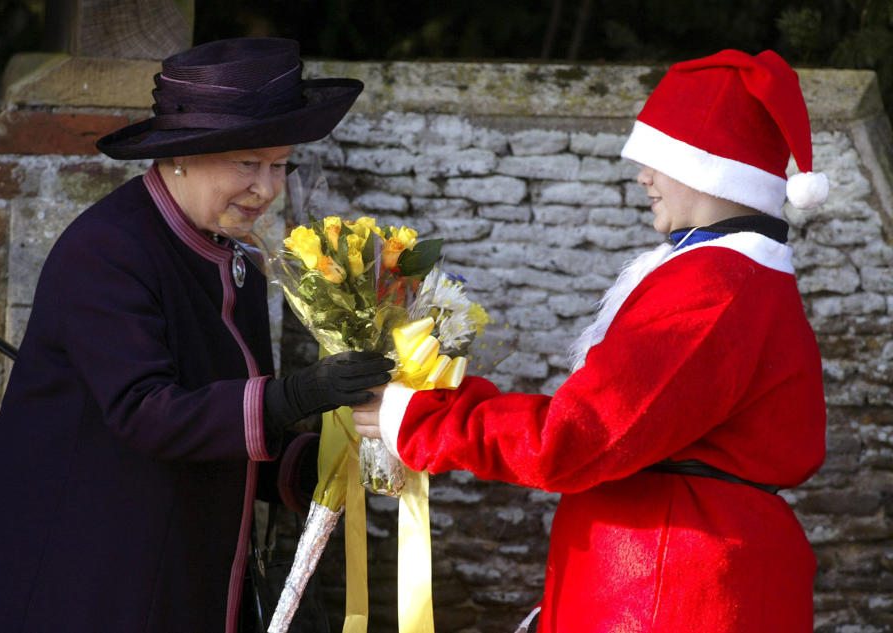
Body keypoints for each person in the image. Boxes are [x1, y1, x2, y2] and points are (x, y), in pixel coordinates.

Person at [353, 49, 829, 633]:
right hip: (670, 577)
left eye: (657, 158)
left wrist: (425, 419)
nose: (643, 176)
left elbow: (581, 436)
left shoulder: (714, 285)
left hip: (672, 587)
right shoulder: (738, 279)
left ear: (710, 166)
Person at [0, 38, 394, 633]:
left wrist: (335, 467)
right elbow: (148, 412)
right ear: (181, 156)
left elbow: (226, 432)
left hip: (177, 569)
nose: (267, 188)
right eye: (247, 163)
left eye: (279, 164)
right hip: (82, 575)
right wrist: (300, 394)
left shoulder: (234, 259)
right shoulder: (108, 249)